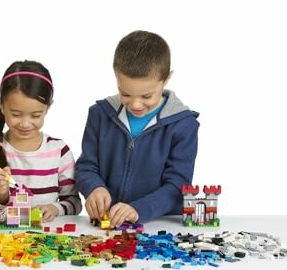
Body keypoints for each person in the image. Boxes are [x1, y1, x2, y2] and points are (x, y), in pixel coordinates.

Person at [75, 30, 199, 228]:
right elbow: (86, 166)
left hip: (161, 226)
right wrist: (94, 188)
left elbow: (177, 185)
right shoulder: (100, 114)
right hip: (108, 228)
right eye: (125, 93)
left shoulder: (183, 125)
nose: (136, 105)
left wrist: (139, 209)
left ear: (166, 79)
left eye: (147, 96)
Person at [0, 60, 82, 222]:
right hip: (3, 241)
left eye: (35, 115)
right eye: (16, 114)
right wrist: (1, 195)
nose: (25, 123)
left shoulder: (59, 151)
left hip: (47, 239)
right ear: (2, 106)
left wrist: (55, 208)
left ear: (48, 108)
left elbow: (74, 202)